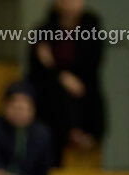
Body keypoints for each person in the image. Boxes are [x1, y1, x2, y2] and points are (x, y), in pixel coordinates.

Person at [27, 0, 106, 165]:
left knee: (87, 93)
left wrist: (71, 78)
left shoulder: (91, 27)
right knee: (55, 94)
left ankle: (87, 135)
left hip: (83, 82)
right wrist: (60, 75)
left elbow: (93, 62)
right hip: (50, 85)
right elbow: (37, 68)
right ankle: (68, 134)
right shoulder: (43, 31)